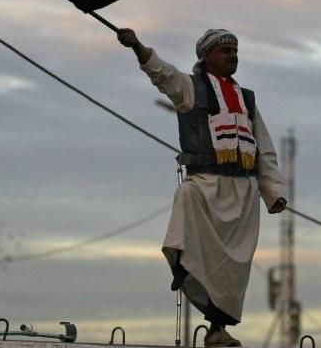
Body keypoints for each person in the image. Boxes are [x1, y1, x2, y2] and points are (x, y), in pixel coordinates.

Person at [117, 27, 287, 347]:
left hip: (243, 195)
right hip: (207, 185)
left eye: (235, 52)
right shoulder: (192, 88)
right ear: (207, 56)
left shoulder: (246, 98)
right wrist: (137, 46)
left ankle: (217, 330)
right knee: (187, 195)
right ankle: (182, 261)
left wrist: (273, 192)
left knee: (231, 274)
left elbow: (263, 149)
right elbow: (162, 74)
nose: (233, 57)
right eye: (226, 51)